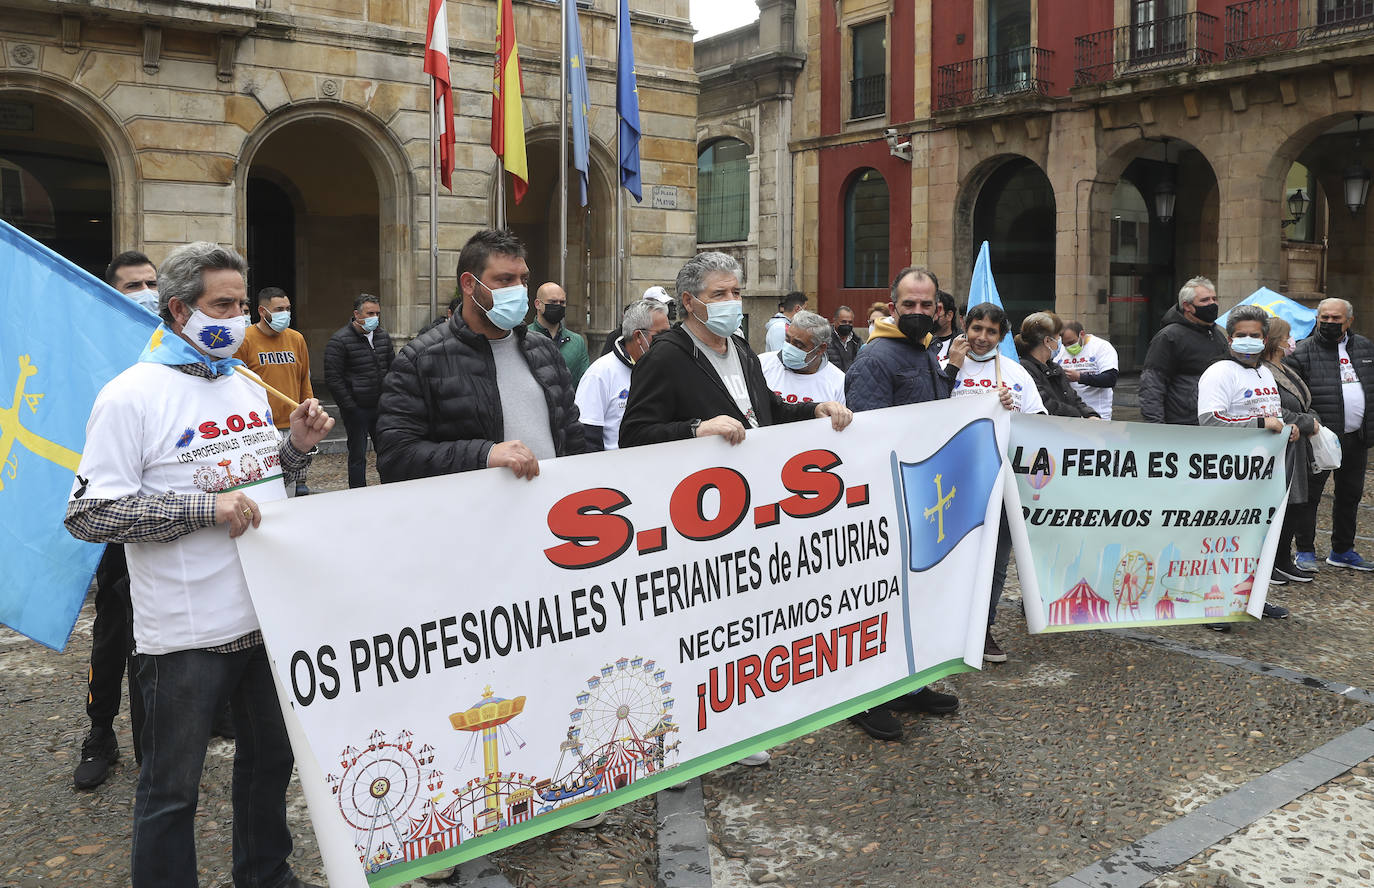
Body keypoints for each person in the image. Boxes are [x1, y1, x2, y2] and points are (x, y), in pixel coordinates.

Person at [65, 241, 332, 888]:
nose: (238, 317)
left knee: (269, 764)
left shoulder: (239, 380)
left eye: (242, 304)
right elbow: (88, 515)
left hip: (265, 618)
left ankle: (265, 874)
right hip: (184, 636)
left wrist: (295, 447)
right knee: (171, 789)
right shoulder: (131, 395)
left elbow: (259, 481)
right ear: (179, 309)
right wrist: (203, 512)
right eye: (224, 305)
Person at [619, 253, 851, 765]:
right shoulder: (665, 356)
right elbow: (634, 434)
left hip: (747, 512)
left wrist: (811, 410)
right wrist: (694, 429)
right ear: (690, 303)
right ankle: (671, 748)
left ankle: (735, 729)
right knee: (689, 635)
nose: (732, 303)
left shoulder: (741, 348)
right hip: (693, 519)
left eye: (736, 292)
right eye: (720, 294)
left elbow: (760, 408)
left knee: (737, 629)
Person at [842, 266, 959, 741]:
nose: (916, 311)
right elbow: (869, 439)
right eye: (907, 305)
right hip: (887, 500)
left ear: (937, 309)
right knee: (877, 602)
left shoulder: (924, 349)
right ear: (893, 308)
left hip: (920, 495)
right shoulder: (876, 358)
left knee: (913, 599)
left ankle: (908, 684)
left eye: (925, 305)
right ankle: (865, 698)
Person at [374, 228, 587, 484]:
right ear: (469, 284)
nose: (519, 290)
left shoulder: (544, 351)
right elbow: (396, 458)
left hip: (547, 512)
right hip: (472, 515)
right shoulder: (420, 359)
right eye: (505, 280)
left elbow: (572, 435)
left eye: (524, 280)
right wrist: (484, 455)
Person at [73, 251, 160, 791]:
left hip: (171, 520)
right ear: (113, 293)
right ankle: (99, 732)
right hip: (116, 523)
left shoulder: (175, 349)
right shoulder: (99, 359)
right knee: (113, 635)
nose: (145, 293)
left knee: (160, 643)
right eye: (133, 285)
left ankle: (162, 742)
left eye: (152, 283)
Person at [946, 304, 1049, 664]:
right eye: (976, 328)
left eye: (991, 332)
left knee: (995, 562)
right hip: (952, 483)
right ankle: (944, 630)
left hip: (1002, 484)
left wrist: (1012, 409)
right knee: (952, 559)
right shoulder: (943, 362)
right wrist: (950, 371)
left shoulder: (1017, 374)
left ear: (1002, 336)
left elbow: (1039, 424)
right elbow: (921, 410)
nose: (982, 337)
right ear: (964, 325)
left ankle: (982, 630)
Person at [1195, 304, 1293, 620]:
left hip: (1262, 473)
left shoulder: (1264, 372)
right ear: (1230, 338)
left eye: (1254, 335)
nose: (1247, 340)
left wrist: (1284, 430)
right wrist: (1260, 424)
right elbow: (1210, 420)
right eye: (1241, 335)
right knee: (1221, 543)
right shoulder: (1219, 372)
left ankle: (1252, 599)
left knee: (1255, 540)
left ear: (1265, 339)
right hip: (1228, 473)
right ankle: (1215, 609)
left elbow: (1271, 413)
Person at [1286, 297, 1374, 572]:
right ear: (1317, 319)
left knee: (1350, 495)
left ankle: (1343, 549)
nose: (1329, 323)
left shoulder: (1364, 347)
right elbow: (1295, 398)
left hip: (1356, 437)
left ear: (1349, 320)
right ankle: (1305, 551)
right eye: (1324, 318)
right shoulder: (1302, 352)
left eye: (1336, 318)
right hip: (1319, 438)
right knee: (1310, 496)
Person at [236, 287, 315, 495]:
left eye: (288, 308)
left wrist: (309, 410)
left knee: (288, 490)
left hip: (292, 425)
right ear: (263, 311)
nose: (286, 313)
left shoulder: (296, 339)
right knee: (263, 485)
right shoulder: (244, 340)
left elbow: (303, 379)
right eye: (279, 309)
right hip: (261, 427)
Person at [1262, 318, 1321, 585]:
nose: (1291, 341)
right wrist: (1308, 422)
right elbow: (1275, 409)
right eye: (1288, 336)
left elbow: (1303, 401)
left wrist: (1312, 418)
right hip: (1279, 446)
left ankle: (1283, 560)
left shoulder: (1285, 368)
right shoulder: (1263, 371)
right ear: (1276, 339)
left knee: (1296, 505)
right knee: (1281, 507)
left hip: (1298, 445)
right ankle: (1270, 563)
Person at [575, 298, 671, 451]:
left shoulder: (667, 369)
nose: (668, 341)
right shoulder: (600, 374)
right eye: (661, 334)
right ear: (639, 337)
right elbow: (587, 436)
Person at [324, 294, 395, 488]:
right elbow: (333, 378)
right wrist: (350, 406)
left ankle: (391, 487)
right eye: (370, 313)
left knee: (388, 451)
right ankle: (358, 493)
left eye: (377, 313)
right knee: (357, 455)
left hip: (382, 407)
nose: (374, 317)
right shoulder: (340, 341)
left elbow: (393, 369)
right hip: (357, 409)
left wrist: (391, 399)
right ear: (357, 314)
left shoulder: (382, 336)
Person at [1139, 276, 1229, 424]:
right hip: (1183, 425)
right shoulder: (1169, 337)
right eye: (1205, 300)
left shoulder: (1217, 335)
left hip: (1214, 423)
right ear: (1187, 306)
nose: (1212, 304)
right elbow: (1152, 385)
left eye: (1214, 298)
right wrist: (1156, 428)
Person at [1017, 312, 1099, 419]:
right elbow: (1047, 404)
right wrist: (1078, 417)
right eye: (1058, 336)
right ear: (1047, 341)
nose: (1061, 341)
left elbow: (1073, 398)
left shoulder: (1055, 368)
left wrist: (1090, 415)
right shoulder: (1023, 370)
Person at [761, 310, 847, 405]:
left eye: (799, 345)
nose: (790, 348)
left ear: (821, 349)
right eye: (787, 340)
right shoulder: (763, 364)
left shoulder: (838, 383)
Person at [530, 282, 591, 387]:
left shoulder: (577, 342)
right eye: (553, 302)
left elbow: (584, 381)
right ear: (538, 304)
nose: (558, 306)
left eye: (562, 302)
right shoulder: (524, 337)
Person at [1058, 321, 1120, 420]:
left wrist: (1080, 377)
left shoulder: (1101, 347)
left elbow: (1110, 379)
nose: (1068, 347)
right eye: (1064, 344)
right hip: (1070, 414)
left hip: (1097, 413)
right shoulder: (1060, 350)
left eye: (1071, 342)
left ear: (1081, 334)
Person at [826, 305, 861, 372]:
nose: (847, 324)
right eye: (843, 322)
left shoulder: (857, 341)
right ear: (834, 321)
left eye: (850, 322)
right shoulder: (826, 340)